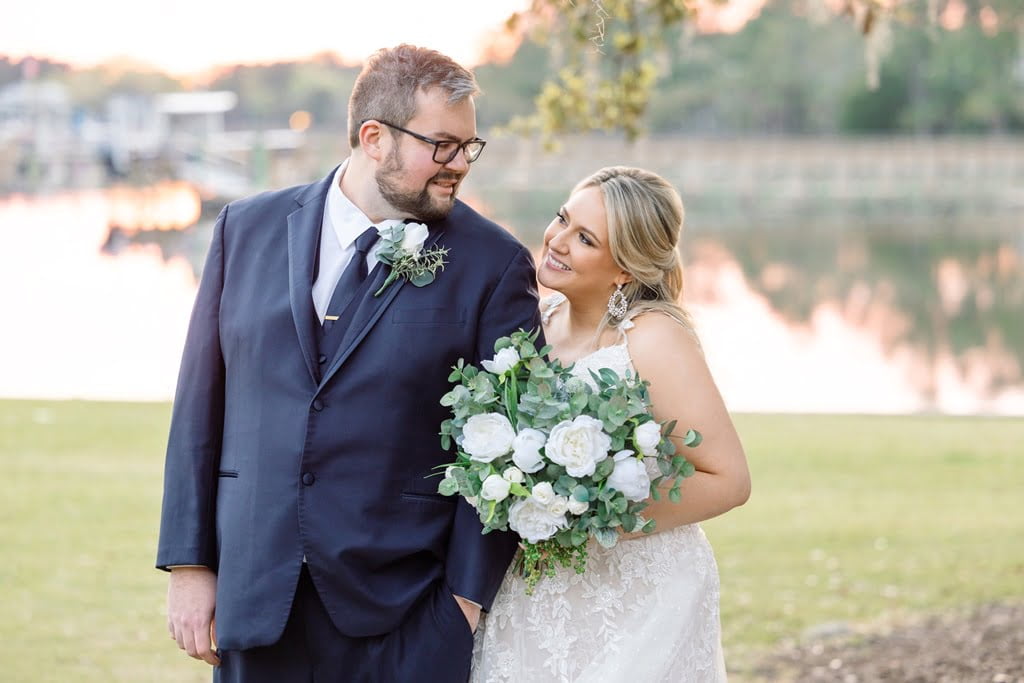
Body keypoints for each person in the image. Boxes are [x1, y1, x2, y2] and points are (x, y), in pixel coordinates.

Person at [157, 44, 541, 682]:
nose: (459, 165)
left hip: (404, 611)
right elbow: (201, 407)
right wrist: (190, 566)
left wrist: (464, 606)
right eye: (442, 145)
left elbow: (509, 444)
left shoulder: (493, 264)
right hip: (255, 598)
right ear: (374, 137)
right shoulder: (242, 230)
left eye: (469, 146)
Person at [471, 166, 751, 682]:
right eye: (562, 219)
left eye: (585, 239)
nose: (556, 240)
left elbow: (729, 479)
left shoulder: (651, 337)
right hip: (535, 589)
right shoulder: (535, 323)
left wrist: (595, 516)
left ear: (624, 268)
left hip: (637, 595)